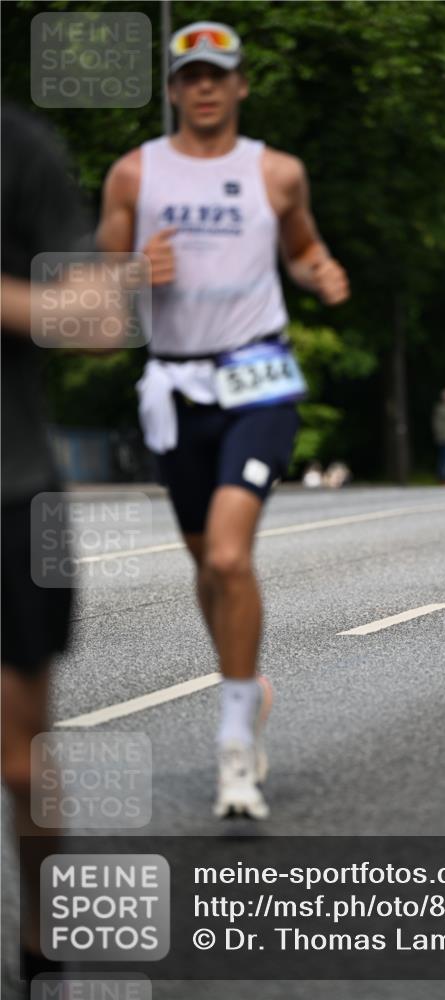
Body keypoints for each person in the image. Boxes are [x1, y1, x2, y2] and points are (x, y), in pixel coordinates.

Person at [97, 21, 349, 819]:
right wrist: (135, 272)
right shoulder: (134, 175)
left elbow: (303, 247)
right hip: (173, 391)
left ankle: (235, 746)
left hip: (258, 375)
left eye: (218, 74)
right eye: (189, 76)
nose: (204, 87)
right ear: (173, 90)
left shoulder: (276, 172)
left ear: (239, 85)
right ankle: (249, 683)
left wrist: (319, 273)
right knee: (208, 566)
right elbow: (91, 293)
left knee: (232, 558)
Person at [1, 102, 128, 992]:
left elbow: (100, 318)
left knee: (18, 758)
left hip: (7, 492)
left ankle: (44, 942)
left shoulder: (19, 150)